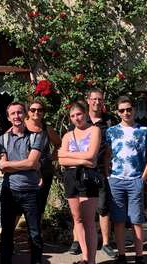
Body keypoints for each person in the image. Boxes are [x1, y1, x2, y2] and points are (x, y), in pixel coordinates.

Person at [0, 102, 48, 264]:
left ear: (25, 114)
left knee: (34, 233)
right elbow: (2, 166)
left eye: (19, 113)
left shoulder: (36, 136)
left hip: (31, 192)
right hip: (9, 192)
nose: (16, 116)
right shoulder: (2, 139)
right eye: (13, 114)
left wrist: (12, 165)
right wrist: (26, 163)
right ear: (8, 117)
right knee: (7, 232)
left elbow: (32, 163)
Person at [106, 96, 147, 264]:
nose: (126, 112)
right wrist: (108, 176)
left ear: (134, 110)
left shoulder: (144, 130)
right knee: (119, 221)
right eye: (122, 110)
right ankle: (121, 256)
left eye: (129, 109)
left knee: (136, 220)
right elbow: (107, 156)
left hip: (135, 180)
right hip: (116, 181)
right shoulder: (111, 131)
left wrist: (142, 179)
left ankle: (139, 256)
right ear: (117, 112)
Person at [58, 101, 101, 264]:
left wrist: (71, 155)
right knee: (77, 219)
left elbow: (92, 155)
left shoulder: (94, 130)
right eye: (73, 116)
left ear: (85, 114)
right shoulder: (67, 135)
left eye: (79, 114)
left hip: (87, 178)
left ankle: (91, 260)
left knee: (89, 220)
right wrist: (83, 158)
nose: (76, 118)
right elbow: (61, 159)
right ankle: (84, 257)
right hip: (71, 177)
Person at [87, 88, 117, 258]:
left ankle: (106, 243)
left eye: (100, 99)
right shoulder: (81, 119)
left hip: (101, 169)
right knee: (82, 208)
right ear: (88, 100)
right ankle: (78, 242)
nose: (97, 102)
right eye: (94, 99)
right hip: (84, 169)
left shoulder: (109, 121)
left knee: (103, 207)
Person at [24, 99, 61, 213]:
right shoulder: (21, 126)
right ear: (28, 111)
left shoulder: (46, 129)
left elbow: (59, 144)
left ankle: (36, 230)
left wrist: (51, 157)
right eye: (33, 109)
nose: (36, 112)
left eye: (40, 110)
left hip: (44, 172)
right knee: (20, 207)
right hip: (25, 173)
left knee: (39, 207)